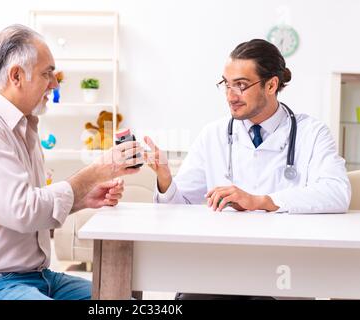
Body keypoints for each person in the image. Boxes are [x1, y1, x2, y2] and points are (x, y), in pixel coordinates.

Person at [0, 24, 143, 300]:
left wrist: (82, 197)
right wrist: (95, 172)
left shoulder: (25, 127)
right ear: (16, 75)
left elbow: (30, 203)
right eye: (48, 73)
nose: (55, 84)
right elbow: (21, 210)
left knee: (121, 298)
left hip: (37, 277)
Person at [143, 39, 351, 300]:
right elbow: (181, 206)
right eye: (226, 84)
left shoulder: (312, 133)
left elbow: (336, 192)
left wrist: (261, 201)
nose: (231, 96)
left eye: (241, 85)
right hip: (222, 264)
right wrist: (165, 180)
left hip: (285, 268)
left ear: (272, 85)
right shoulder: (214, 134)